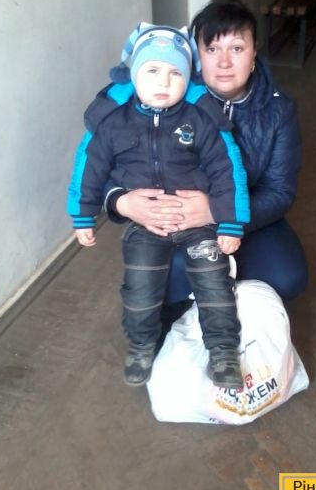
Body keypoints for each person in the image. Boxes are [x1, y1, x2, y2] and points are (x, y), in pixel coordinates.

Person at [67, 23, 250, 389]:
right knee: (140, 287)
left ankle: (223, 352)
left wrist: (230, 221)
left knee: (214, 282)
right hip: (145, 224)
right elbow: (89, 165)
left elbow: (227, 167)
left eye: (175, 73)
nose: (163, 82)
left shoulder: (200, 118)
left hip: (197, 224)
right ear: (134, 74)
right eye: (152, 70)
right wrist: (83, 214)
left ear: (188, 78)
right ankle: (140, 346)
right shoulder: (113, 120)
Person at [104, 0, 308, 314]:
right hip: (178, 221)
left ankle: (244, 332)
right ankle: (169, 333)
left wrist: (217, 212)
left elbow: (279, 191)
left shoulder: (278, 109)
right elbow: (105, 166)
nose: (224, 62)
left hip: (251, 216)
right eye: (211, 49)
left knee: (286, 276)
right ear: (196, 56)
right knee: (165, 277)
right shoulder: (163, 97)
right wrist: (122, 202)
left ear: (254, 54)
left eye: (236, 48)